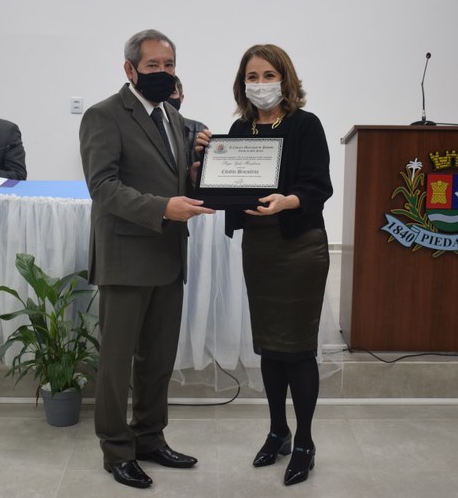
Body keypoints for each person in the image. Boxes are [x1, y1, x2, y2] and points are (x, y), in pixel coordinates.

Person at [79, 29, 214, 489]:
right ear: (130, 69)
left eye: (169, 65)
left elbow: (174, 182)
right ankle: (117, 450)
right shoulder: (104, 115)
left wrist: (196, 175)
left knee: (158, 360)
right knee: (117, 363)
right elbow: (103, 187)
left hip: (168, 254)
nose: (163, 72)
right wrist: (163, 208)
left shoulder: (174, 117)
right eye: (153, 65)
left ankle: (150, 438)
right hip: (126, 257)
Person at [196, 44, 333, 486]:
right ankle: (278, 431)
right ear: (243, 83)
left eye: (268, 75)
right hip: (259, 247)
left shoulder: (306, 125)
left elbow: (318, 185)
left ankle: (305, 442)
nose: (260, 84)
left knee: (298, 348)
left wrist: (287, 200)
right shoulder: (240, 130)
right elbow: (224, 189)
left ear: (285, 79)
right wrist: (205, 163)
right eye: (252, 77)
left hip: (300, 247)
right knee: (270, 346)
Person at [166, 76, 207, 167]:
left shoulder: (198, 129)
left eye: (172, 93)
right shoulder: (142, 127)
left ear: (181, 98)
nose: (167, 98)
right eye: (163, 93)